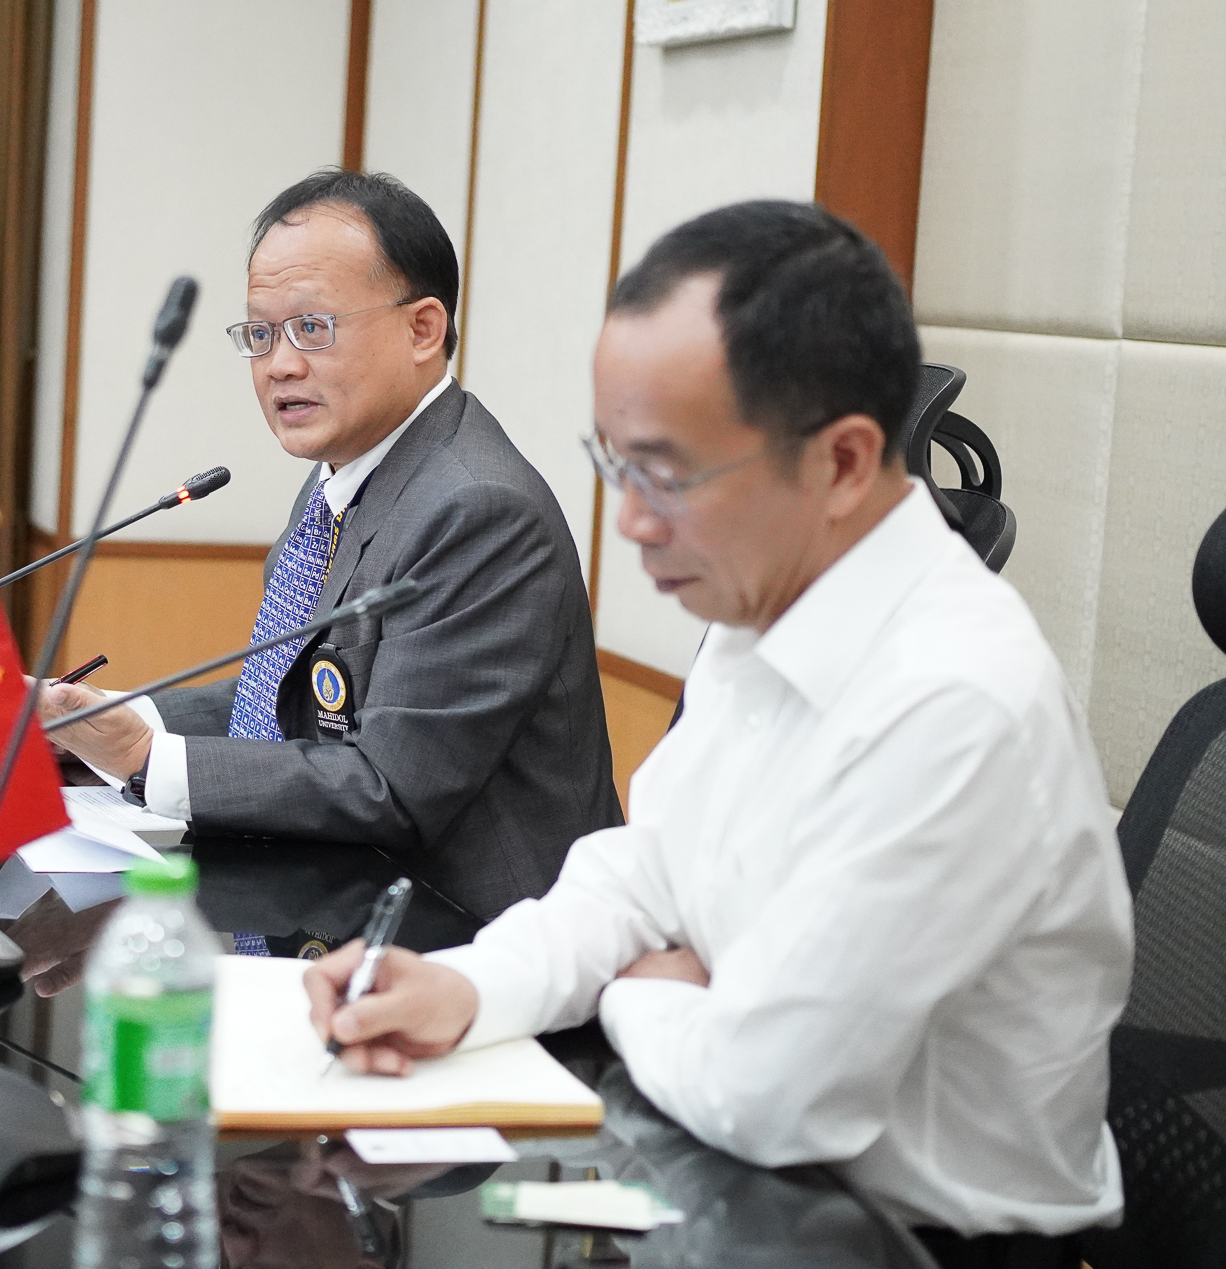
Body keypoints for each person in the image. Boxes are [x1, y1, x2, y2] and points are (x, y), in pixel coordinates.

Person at [303, 201, 1133, 1264]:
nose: (631, 522)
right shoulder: (766, 603)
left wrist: (632, 992)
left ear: (841, 463)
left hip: (905, 1240)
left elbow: (770, 1095)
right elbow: (641, 871)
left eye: (670, 475)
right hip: (727, 1186)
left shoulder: (957, 705)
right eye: (616, 464)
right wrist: (473, 985)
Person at [39, 169, 622, 938]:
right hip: (350, 907)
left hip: (479, 942)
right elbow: (291, 699)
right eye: (260, 334)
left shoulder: (479, 509)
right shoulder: (346, 477)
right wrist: (103, 725)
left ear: (423, 329)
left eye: (312, 328)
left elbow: (392, 785)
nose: (279, 365)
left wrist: (151, 760)